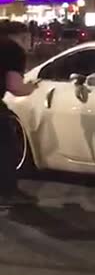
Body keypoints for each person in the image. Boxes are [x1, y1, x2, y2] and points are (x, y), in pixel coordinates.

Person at [0, 21, 39, 205]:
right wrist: (31, 88)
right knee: (6, 147)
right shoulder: (13, 50)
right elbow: (14, 86)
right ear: (22, 36)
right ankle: (7, 193)